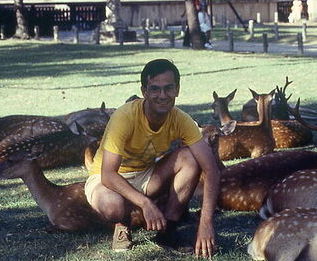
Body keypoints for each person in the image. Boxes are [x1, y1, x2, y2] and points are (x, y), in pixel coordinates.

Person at [84, 59, 219, 257]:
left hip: (146, 175)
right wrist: (146, 204)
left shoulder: (181, 119)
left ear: (177, 90)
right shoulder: (125, 117)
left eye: (168, 88)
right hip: (106, 179)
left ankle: (168, 229)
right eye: (155, 89)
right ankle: (122, 224)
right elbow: (108, 174)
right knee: (113, 207)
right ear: (144, 91)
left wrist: (206, 223)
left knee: (190, 157)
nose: (162, 96)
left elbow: (212, 170)